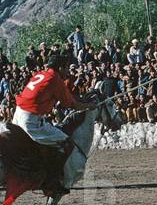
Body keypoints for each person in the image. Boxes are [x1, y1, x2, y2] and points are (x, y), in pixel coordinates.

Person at [12, 55, 97, 191]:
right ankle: (53, 180)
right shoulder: (55, 80)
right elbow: (72, 105)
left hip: (17, 114)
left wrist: (83, 101)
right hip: (30, 120)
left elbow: (68, 96)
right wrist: (89, 106)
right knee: (66, 142)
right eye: (66, 68)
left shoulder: (42, 74)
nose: (68, 71)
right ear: (60, 68)